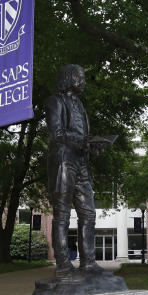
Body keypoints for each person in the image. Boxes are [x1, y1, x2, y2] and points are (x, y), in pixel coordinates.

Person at [45, 64, 106, 278]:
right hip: (64, 161)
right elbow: (56, 133)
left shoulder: (80, 104)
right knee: (61, 214)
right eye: (81, 76)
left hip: (81, 163)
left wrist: (93, 147)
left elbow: (82, 137)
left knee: (88, 213)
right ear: (70, 78)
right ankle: (63, 265)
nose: (84, 80)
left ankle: (88, 262)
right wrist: (83, 141)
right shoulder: (55, 101)